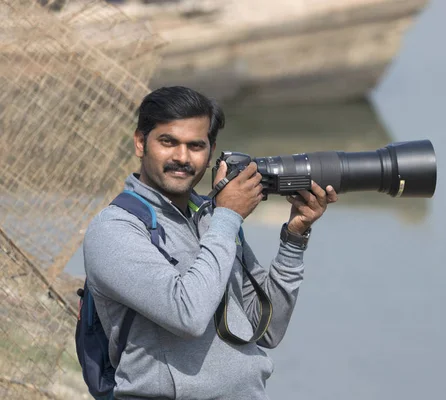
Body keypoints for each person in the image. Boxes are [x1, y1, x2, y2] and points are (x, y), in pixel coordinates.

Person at [83, 86, 338, 399]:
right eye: (168, 142)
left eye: (195, 146)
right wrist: (228, 217)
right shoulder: (115, 230)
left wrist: (294, 238)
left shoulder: (211, 219)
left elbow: (266, 328)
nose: (181, 157)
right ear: (140, 143)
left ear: (211, 150)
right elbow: (186, 315)